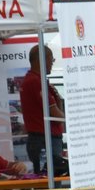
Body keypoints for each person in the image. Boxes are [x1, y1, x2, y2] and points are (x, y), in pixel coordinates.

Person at [19, 45, 66, 174]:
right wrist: (73, 119)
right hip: (45, 140)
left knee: (50, 179)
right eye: (52, 60)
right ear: (42, 59)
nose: (52, 64)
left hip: (43, 139)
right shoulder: (36, 82)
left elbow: (55, 112)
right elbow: (55, 114)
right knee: (50, 181)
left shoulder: (34, 80)